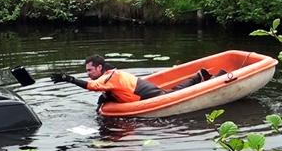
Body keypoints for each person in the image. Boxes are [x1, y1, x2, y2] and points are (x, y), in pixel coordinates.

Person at [50, 55, 225, 108]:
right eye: (86, 71)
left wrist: (69, 79)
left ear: (99, 68)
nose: (88, 74)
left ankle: (212, 78)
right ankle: (198, 76)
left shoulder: (108, 77)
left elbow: (92, 86)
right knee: (173, 91)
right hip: (140, 89)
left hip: (144, 92)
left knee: (175, 94)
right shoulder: (110, 74)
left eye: (90, 70)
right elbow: (105, 92)